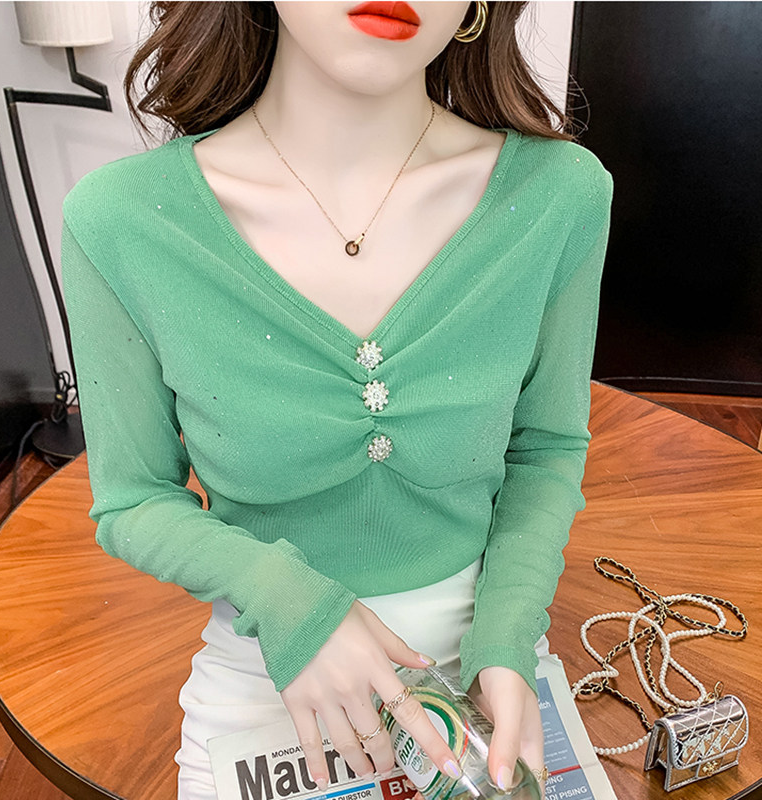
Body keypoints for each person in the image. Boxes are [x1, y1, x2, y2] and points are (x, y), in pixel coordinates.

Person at [59, 2, 614, 799]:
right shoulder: (121, 221)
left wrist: (505, 640)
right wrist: (288, 602)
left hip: (489, 679)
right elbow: (132, 498)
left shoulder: (559, 196)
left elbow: (545, 449)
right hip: (266, 686)